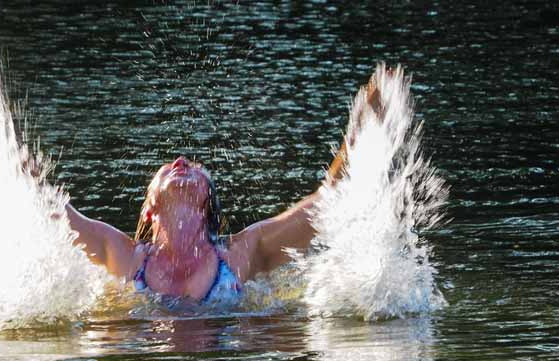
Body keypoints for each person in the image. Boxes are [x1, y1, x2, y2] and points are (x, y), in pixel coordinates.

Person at [60, 71, 387, 306]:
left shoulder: (242, 252)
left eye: (196, 169)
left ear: (207, 201)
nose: (181, 161)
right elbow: (53, 212)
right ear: (150, 208)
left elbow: (328, 201)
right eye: (168, 168)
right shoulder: (124, 255)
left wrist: (358, 137)